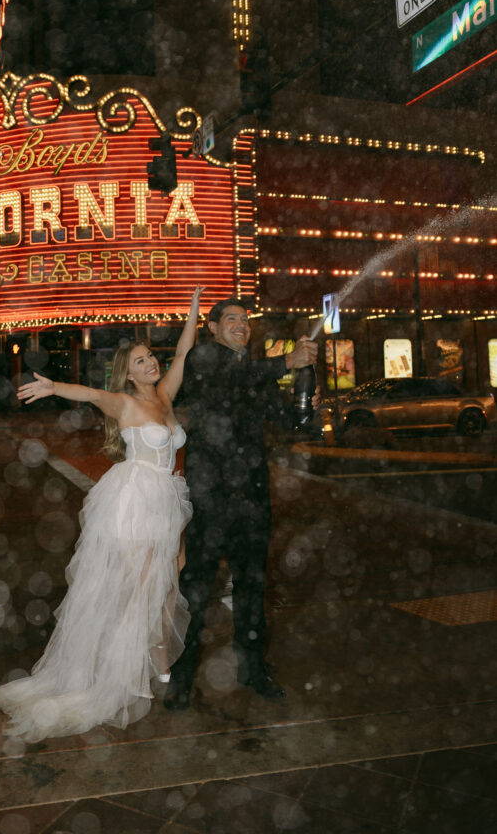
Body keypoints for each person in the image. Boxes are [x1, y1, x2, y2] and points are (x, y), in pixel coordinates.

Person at [0, 287, 203, 741]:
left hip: (169, 499)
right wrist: (51, 387)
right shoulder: (123, 402)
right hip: (136, 499)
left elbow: (184, 350)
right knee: (146, 584)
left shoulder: (164, 395)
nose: (150, 364)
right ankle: (123, 675)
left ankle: (157, 661)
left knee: (170, 581)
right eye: (140, 361)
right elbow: (86, 392)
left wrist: (194, 310)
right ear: (127, 372)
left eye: (150, 358)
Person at [164, 298, 318, 709]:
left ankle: (253, 669)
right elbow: (233, 376)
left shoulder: (255, 372)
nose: (242, 325)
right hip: (211, 494)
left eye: (246, 320)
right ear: (212, 328)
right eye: (232, 319)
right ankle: (181, 676)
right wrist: (287, 361)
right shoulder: (205, 358)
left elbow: (289, 421)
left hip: (251, 494)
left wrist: (307, 396)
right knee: (197, 587)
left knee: (252, 585)